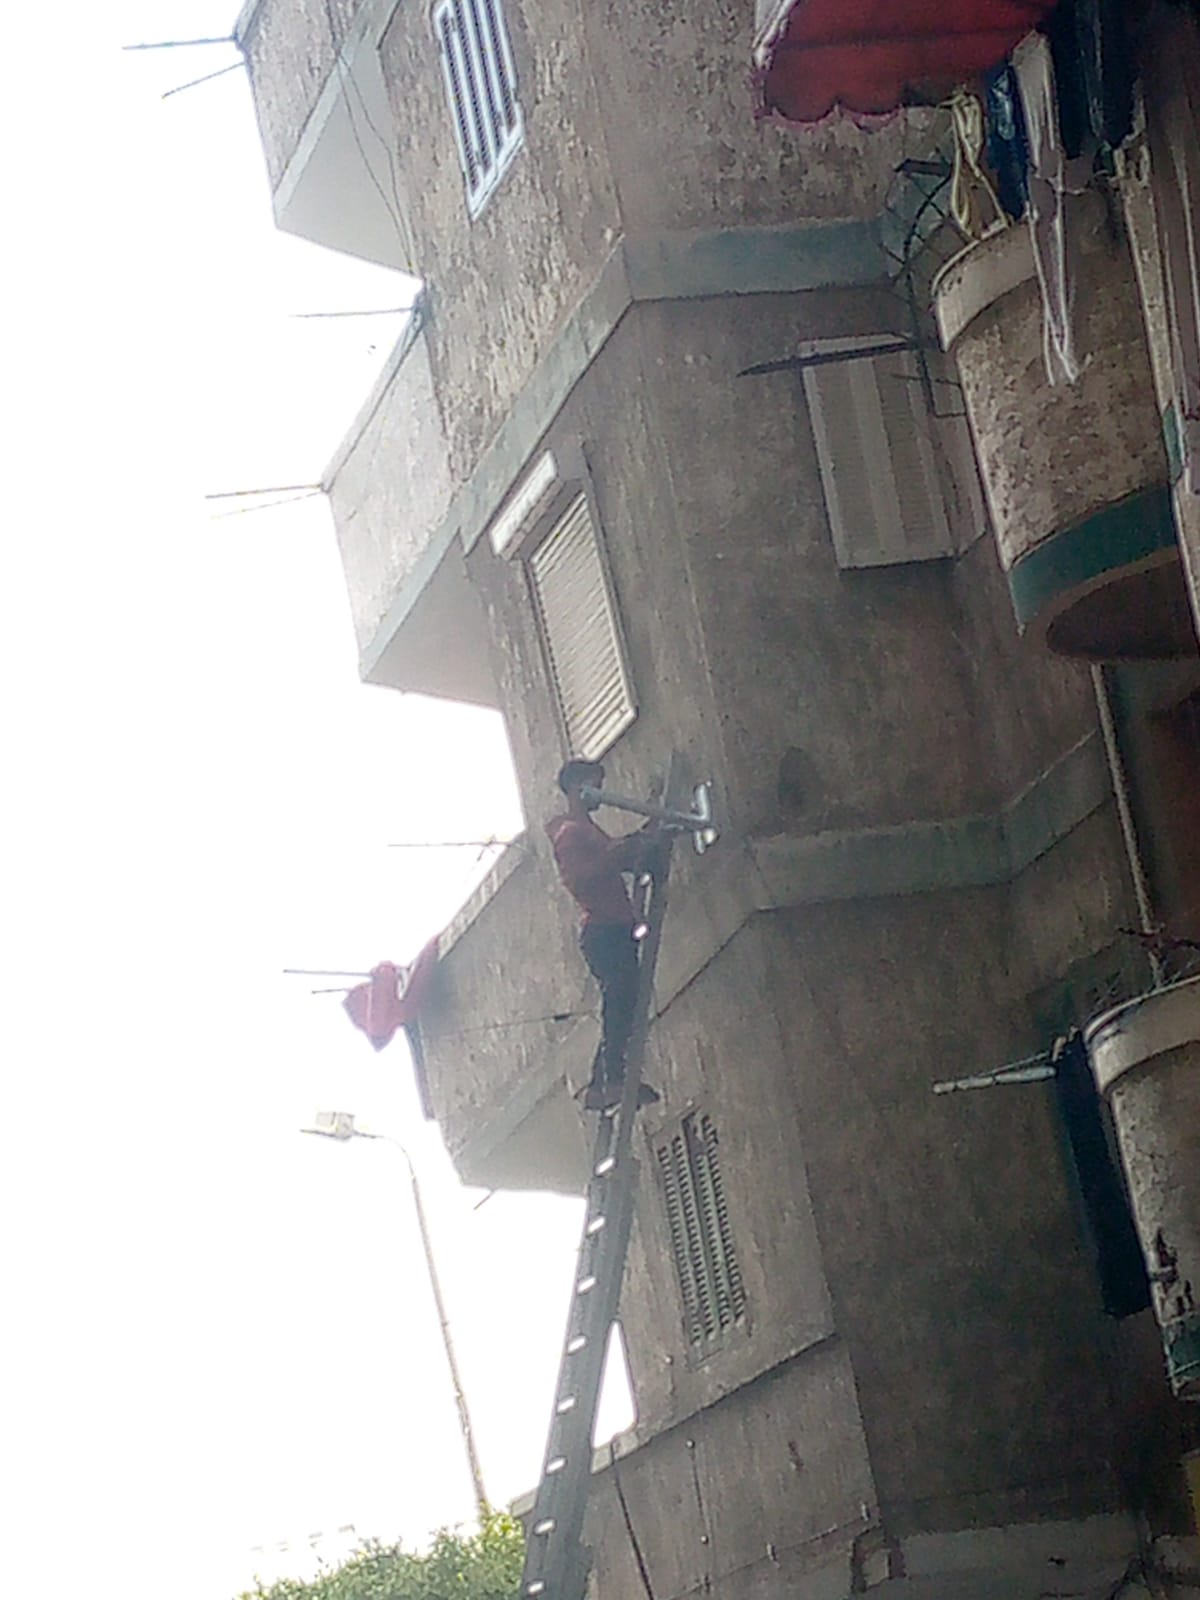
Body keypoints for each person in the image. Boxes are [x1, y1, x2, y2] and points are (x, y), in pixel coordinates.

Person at [547, 758, 662, 1110]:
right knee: (620, 1002)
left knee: (622, 1001)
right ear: (576, 787)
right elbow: (580, 879)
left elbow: (619, 859)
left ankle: (602, 1084)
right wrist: (619, 851)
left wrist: (645, 837)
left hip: (614, 927)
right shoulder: (571, 833)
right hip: (604, 930)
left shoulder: (587, 830)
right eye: (594, 784)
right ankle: (612, 1080)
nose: (599, 792)